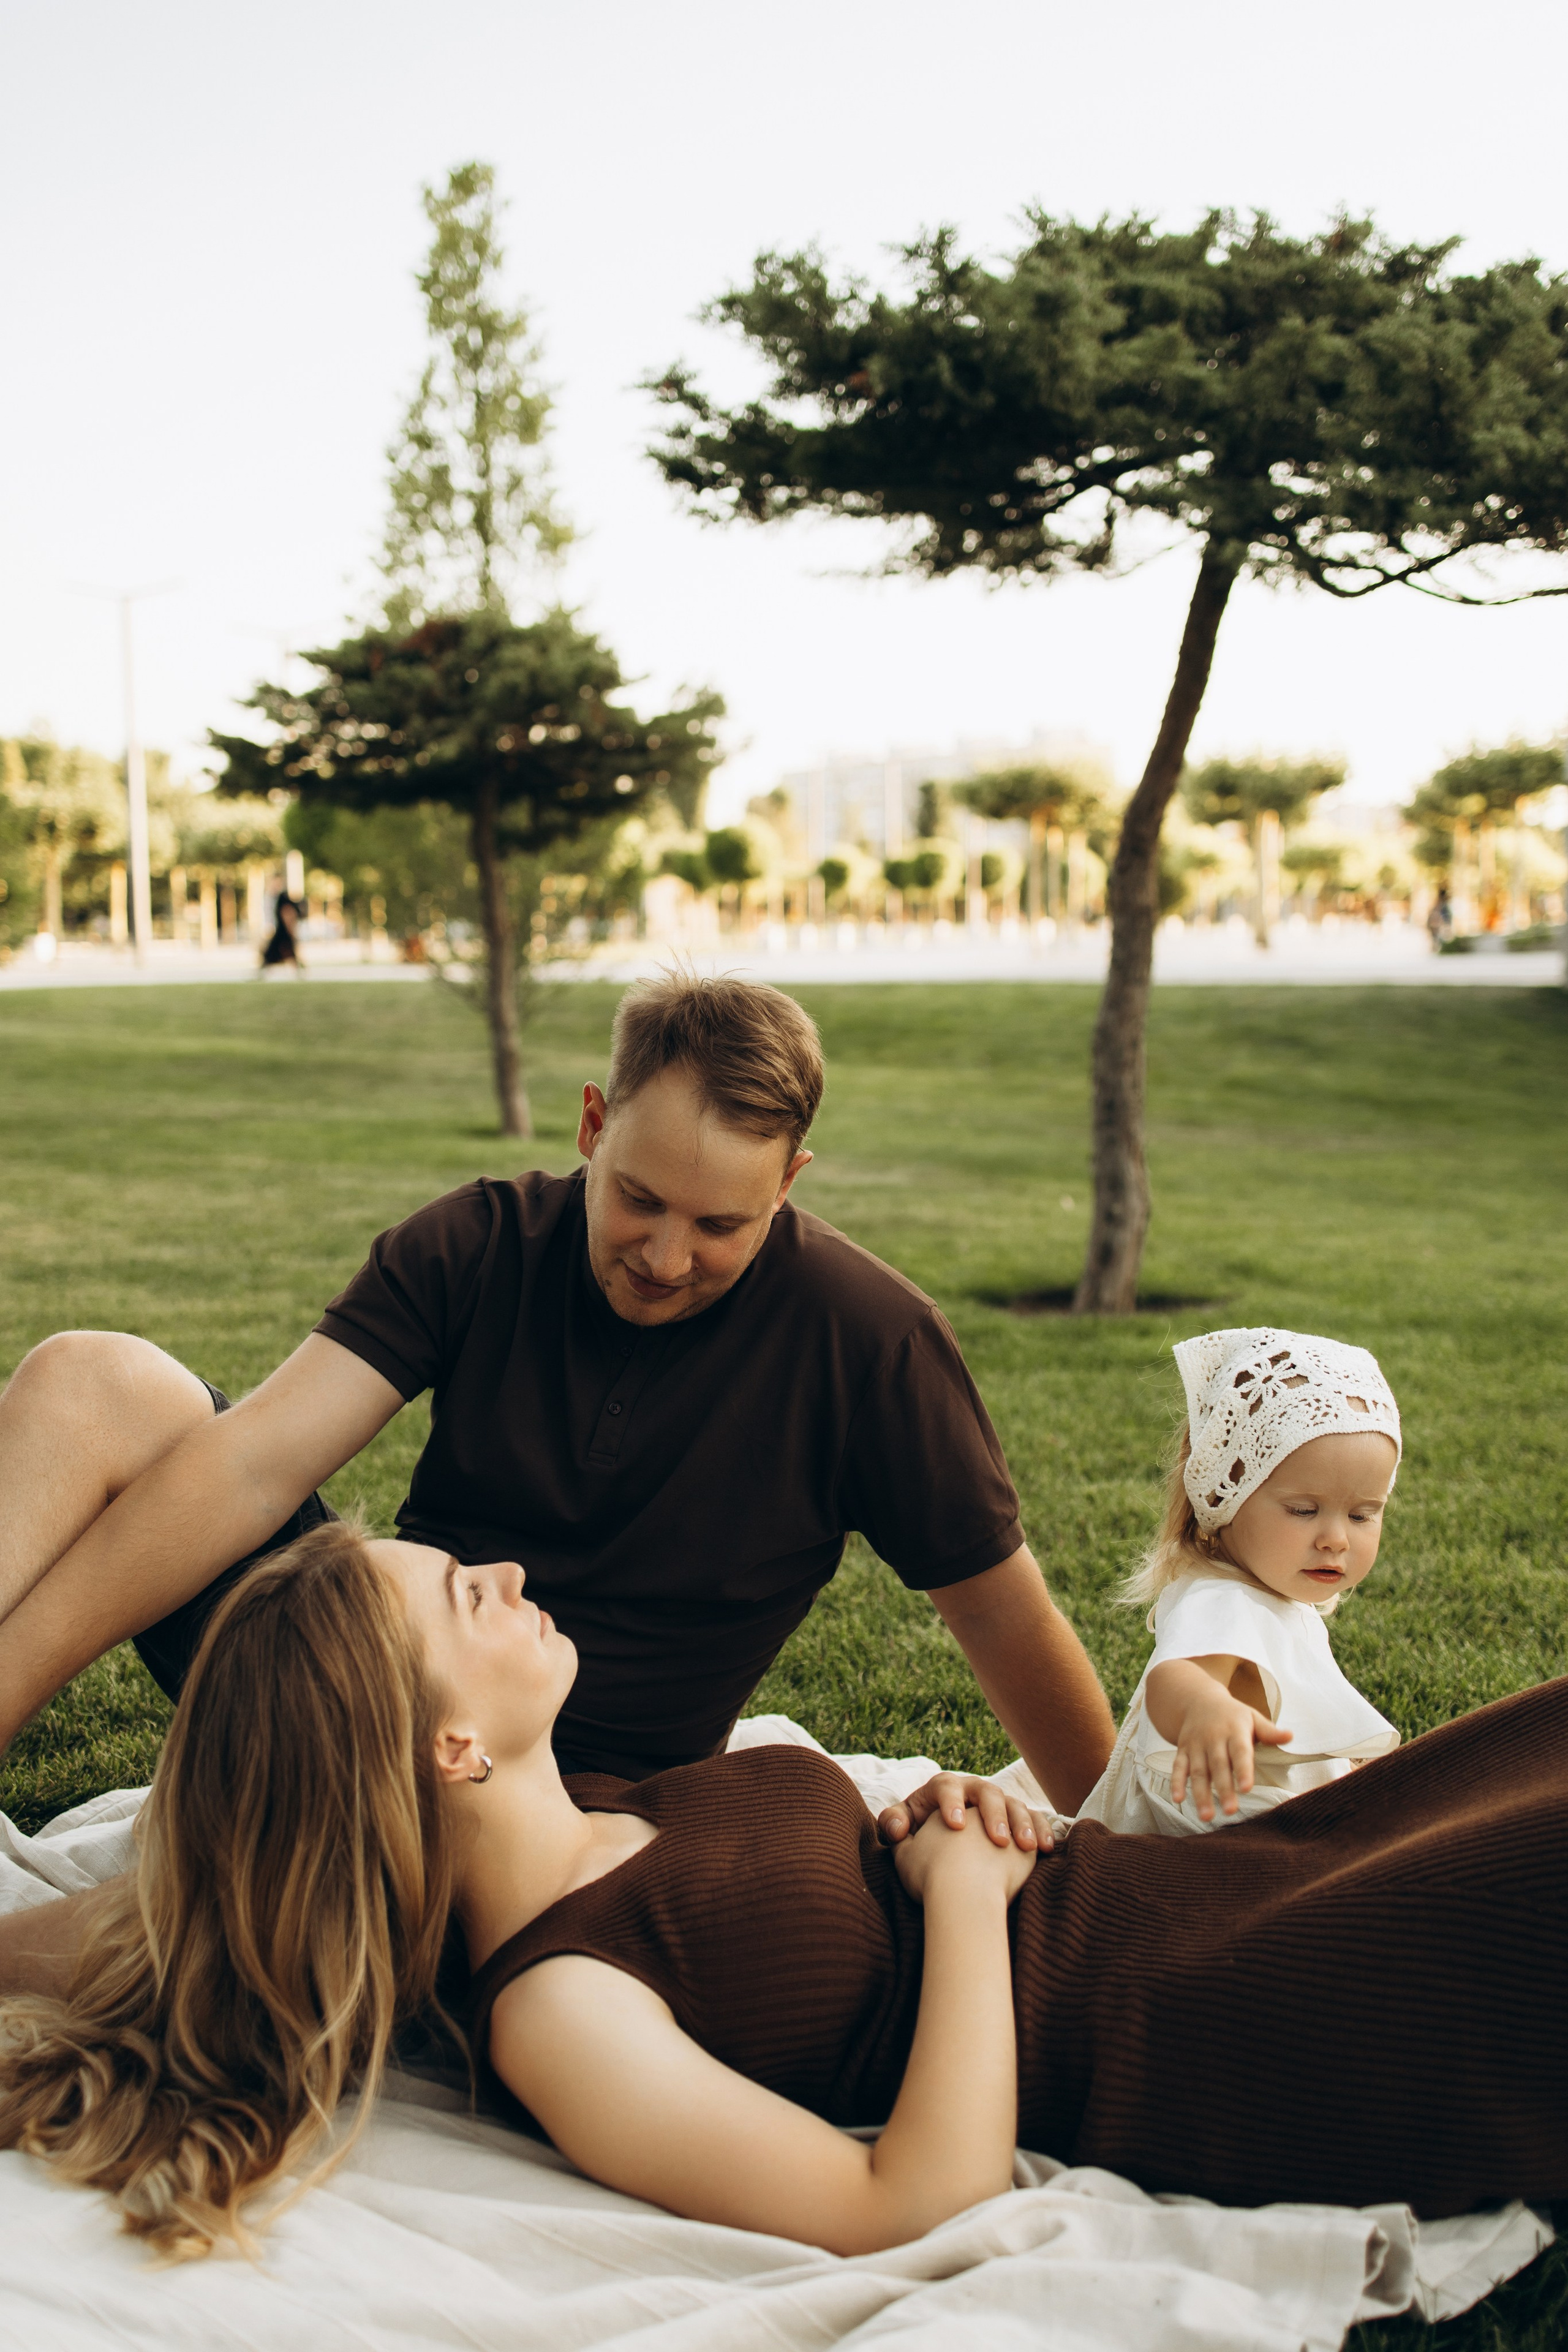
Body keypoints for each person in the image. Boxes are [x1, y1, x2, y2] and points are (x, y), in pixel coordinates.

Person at [3, 1520, 1566, 2261]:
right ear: (449, 1746)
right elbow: (914, 2197)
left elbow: (195, 1884)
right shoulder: (557, 2004)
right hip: (1212, 2021)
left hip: (1209, 1888)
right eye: (453, 1599)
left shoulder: (618, 1798)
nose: (498, 1571)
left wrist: (937, 1820)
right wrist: (957, 1897)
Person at [0, 973, 1114, 1809]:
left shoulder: (872, 1342)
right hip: (362, 1708)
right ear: (592, 1125)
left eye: (721, 1224)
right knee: (91, 1380)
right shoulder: (479, 1242)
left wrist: (1123, 1847)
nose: (667, 1257)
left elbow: (1001, 1618)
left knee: (236, 1932)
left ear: (790, 1183)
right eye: (637, 1199)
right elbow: (254, 1464)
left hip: (584, 1814)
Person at [1071, 1327, 1401, 1834]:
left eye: (1363, 1515)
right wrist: (1205, 1707)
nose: (1336, 1538)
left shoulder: (1276, 1598)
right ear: (1227, 1499)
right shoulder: (1224, 1599)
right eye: (1303, 1510)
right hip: (1221, 1843)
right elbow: (1174, 1680)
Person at [258, 889, 305, 972]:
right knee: (274, 953)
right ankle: (298, 968)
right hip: (281, 933)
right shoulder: (279, 900)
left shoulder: (284, 901)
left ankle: (298, 968)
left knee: (284, 951)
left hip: (283, 933)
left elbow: (288, 916)